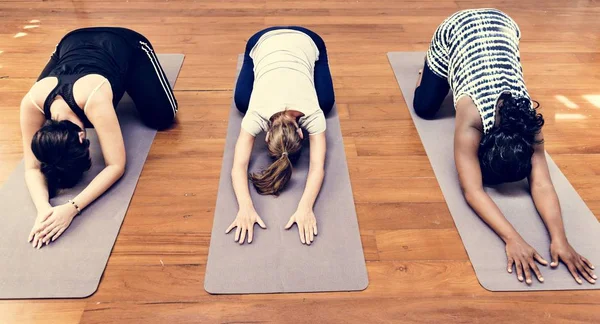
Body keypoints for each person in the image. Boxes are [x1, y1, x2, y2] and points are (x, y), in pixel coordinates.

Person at [414, 9, 596, 285]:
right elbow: (472, 190)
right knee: (424, 108)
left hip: (505, 26)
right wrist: (512, 238)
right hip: (456, 31)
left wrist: (561, 239)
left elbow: (542, 184)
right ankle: (427, 71)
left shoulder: (528, 121)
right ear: (482, 142)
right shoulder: (471, 116)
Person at [20, 27, 178, 249]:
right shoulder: (32, 102)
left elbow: (116, 165)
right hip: (71, 42)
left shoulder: (94, 98)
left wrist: (72, 208)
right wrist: (43, 209)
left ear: (83, 135)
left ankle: (136, 58)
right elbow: (32, 167)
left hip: (123, 42)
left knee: (162, 117)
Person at [226, 26, 335, 246]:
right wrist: (245, 206)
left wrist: (305, 207)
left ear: (266, 136)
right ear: (301, 132)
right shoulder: (258, 113)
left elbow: (239, 165)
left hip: (307, 40)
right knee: (242, 103)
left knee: (326, 104)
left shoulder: (311, 114)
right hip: (261, 41)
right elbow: (316, 167)